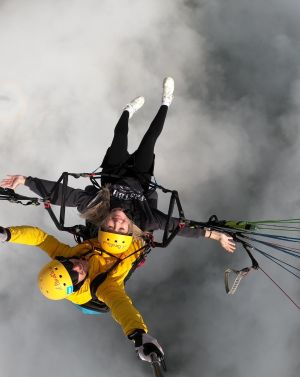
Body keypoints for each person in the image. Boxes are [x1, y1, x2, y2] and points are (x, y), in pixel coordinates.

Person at [0, 77, 236, 253]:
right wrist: (215, 236)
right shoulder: (146, 220)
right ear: (130, 229)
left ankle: (127, 110)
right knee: (149, 142)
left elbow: (63, 195)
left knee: (119, 135)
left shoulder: (96, 208)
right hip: (141, 179)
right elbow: (176, 227)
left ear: (103, 224)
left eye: (111, 226)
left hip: (112, 174)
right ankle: (166, 102)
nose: (118, 222)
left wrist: (26, 181)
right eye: (122, 228)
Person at [0, 223, 163, 363]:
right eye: (74, 275)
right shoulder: (102, 286)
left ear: (61, 261)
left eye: (68, 266)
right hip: (134, 242)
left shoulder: (68, 256)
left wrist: (7, 234)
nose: (76, 266)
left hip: (103, 242)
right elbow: (120, 306)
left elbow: (39, 238)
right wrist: (137, 334)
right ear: (76, 286)